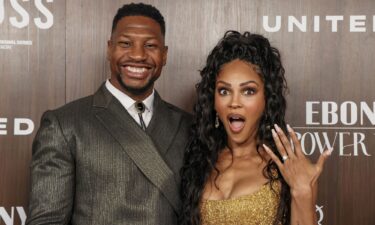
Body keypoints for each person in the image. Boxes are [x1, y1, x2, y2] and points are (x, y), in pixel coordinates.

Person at [26, 3, 191, 225]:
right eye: (125, 43)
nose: (138, 55)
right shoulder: (64, 125)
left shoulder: (188, 126)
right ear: (109, 48)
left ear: (164, 55)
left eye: (150, 45)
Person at [179, 31, 332, 225]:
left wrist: (302, 192)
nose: (234, 102)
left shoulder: (286, 169)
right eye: (224, 91)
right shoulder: (199, 160)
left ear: (266, 99)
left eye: (248, 91)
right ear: (213, 100)